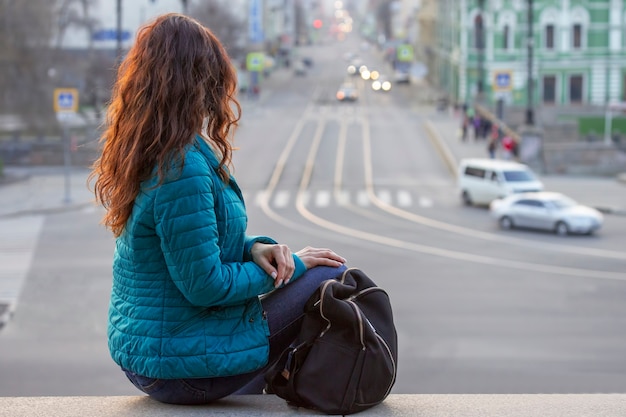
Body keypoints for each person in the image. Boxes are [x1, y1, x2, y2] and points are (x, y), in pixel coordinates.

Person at [88, 13, 347, 405]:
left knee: (311, 273)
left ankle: (251, 382)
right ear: (195, 81)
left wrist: (254, 249)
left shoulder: (152, 147)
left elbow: (191, 241)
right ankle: (332, 388)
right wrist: (295, 265)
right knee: (334, 275)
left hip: (158, 356)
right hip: (179, 369)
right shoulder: (182, 167)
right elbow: (205, 286)